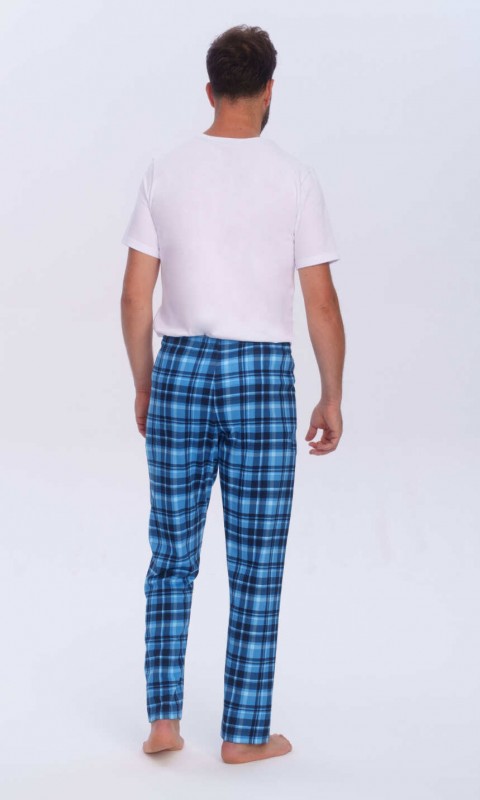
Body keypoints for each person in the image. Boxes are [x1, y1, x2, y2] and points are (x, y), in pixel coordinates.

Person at [120, 23, 345, 765]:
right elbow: (320, 303)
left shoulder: (165, 170)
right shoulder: (295, 178)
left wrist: (148, 383)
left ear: (210, 90)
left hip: (181, 368)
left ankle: (163, 721)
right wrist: (331, 394)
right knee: (256, 563)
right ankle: (245, 734)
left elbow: (134, 297)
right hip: (261, 379)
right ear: (270, 90)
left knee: (170, 555)